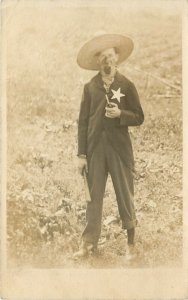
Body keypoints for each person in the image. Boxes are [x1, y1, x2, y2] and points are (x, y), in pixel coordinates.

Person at [75, 33, 144, 260]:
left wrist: (120, 114)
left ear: (117, 57)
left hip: (119, 149)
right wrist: (81, 154)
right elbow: (83, 122)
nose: (107, 60)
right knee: (93, 197)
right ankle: (88, 244)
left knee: (125, 194)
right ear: (98, 61)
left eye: (111, 56)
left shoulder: (126, 85)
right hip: (95, 150)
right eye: (103, 57)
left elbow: (139, 116)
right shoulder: (90, 87)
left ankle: (131, 244)